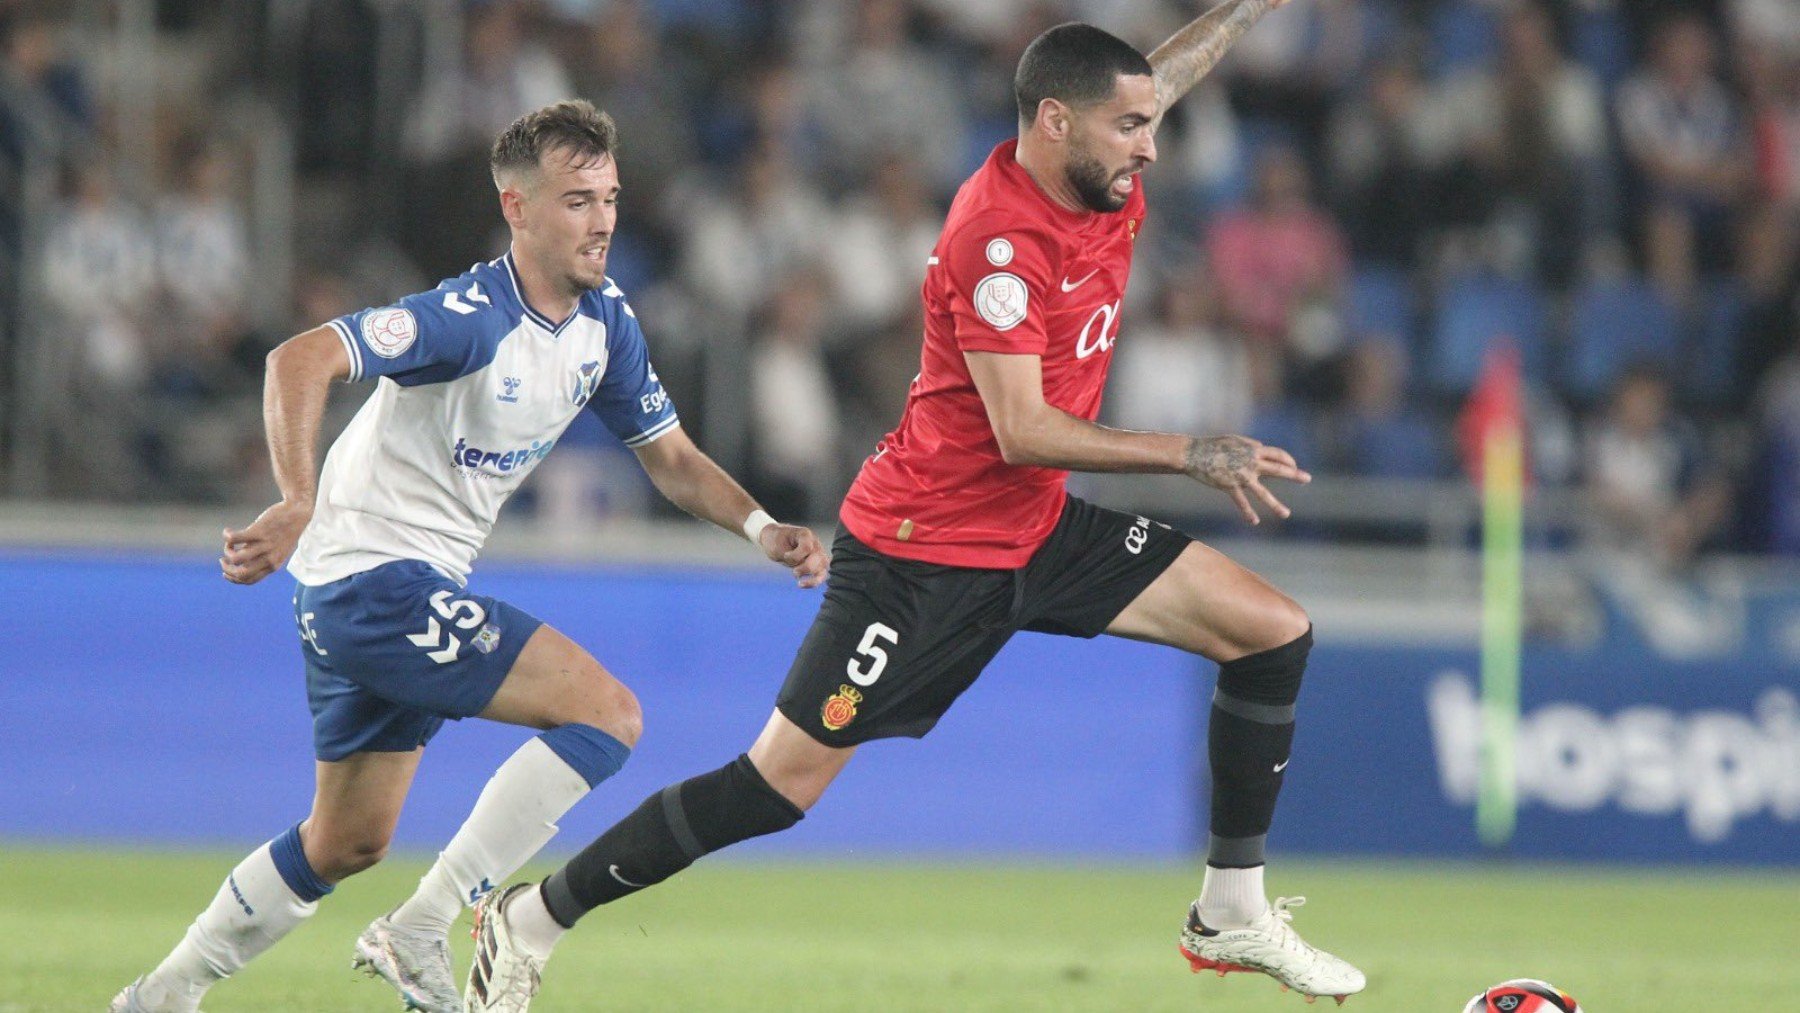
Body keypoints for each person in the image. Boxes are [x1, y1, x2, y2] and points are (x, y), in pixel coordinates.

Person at [468, 11, 1367, 1011]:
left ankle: (1230, 909)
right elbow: (1021, 427)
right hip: (921, 551)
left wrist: (1247, 10)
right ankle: (529, 918)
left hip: (1034, 525)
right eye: (1131, 129)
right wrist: (1187, 450)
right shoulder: (998, 239)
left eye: (1150, 126)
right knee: (774, 786)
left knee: (1271, 631)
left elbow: (1161, 75)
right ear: (1058, 122)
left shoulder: (1094, 159)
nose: (1151, 148)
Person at [109, 99, 827, 1013]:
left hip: (378, 590)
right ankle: (423, 925)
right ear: (517, 208)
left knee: (347, 840)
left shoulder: (606, 325)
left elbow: (674, 460)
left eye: (609, 196)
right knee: (606, 715)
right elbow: (298, 359)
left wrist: (764, 528)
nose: (603, 219)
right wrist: (296, 496)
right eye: (576, 200)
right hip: (375, 581)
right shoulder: (468, 317)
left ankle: (159, 998)